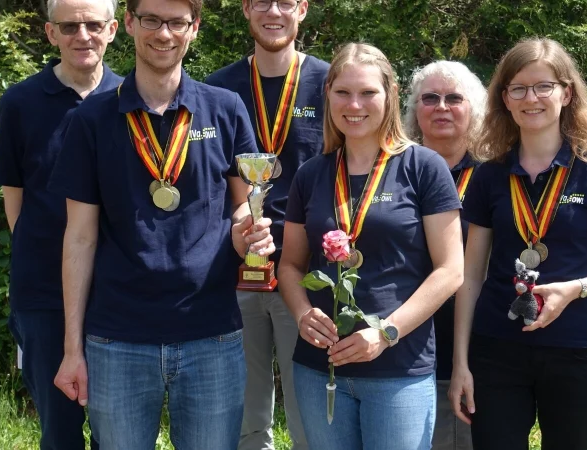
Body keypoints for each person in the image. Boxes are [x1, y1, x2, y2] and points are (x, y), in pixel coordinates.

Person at [48, 0, 275, 447]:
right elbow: (79, 237)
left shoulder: (224, 109)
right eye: (151, 20)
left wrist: (249, 232)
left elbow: (242, 206)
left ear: (195, 29)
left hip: (211, 332)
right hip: (118, 338)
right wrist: (73, 348)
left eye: (176, 22)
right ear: (129, 24)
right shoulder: (91, 120)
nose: (164, 34)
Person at [449, 38, 587, 450]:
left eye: (544, 86)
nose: (531, 98)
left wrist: (576, 289)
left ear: (566, 92)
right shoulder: (489, 176)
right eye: (518, 88)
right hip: (497, 347)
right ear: (504, 98)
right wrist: (460, 363)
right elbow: (470, 276)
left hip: (574, 347)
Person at [278, 43, 465, 450]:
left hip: (398, 369)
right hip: (319, 367)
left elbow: (451, 270)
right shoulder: (311, 174)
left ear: (390, 95)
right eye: (343, 92)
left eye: (367, 93)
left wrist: (385, 333)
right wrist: (302, 312)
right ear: (327, 95)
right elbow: (289, 265)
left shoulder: (423, 167)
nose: (354, 104)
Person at [0, 0, 121, 447]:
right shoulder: (20, 102)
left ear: (112, 29)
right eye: (69, 27)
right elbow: (16, 201)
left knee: (116, 430)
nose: (81, 36)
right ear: (50, 34)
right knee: (59, 431)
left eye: (92, 25)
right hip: (44, 297)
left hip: (118, 294)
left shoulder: (131, 99)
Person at [205, 1, 328, 448]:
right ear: (245, 9)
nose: (272, 11)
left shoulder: (331, 84)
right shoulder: (217, 89)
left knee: (309, 403)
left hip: (306, 271)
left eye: (285, 2)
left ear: (302, 9)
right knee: (243, 404)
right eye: (261, 1)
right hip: (234, 266)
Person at [404, 60, 486, 450]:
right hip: (405, 347)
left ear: (475, 109)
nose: (441, 107)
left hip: (481, 350)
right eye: (430, 98)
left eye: (455, 98)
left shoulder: (496, 176)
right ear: (413, 110)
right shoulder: (392, 171)